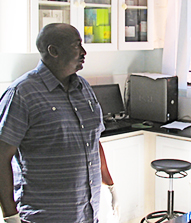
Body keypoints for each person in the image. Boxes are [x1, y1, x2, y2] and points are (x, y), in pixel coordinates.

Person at [0, 23, 118, 222]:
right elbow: (2, 156)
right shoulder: (22, 94)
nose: (83, 52)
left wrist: (110, 184)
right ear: (53, 51)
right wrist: (10, 214)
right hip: (45, 215)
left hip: (87, 213)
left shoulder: (84, 88)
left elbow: (92, 140)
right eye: (76, 46)